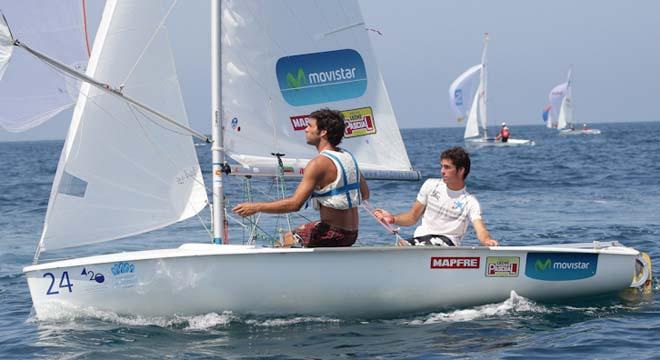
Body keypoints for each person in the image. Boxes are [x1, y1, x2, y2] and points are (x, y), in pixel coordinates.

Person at [233, 108, 369, 248]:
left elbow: (295, 204)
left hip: (332, 234)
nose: (305, 129)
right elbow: (365, 194)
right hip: (352, 234)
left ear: (323, 132)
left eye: (310, 126)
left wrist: (256, 207)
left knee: (284, 242)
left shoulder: (318, 164)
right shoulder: (348, 158)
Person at [374, 147, 497, 247]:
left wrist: (487, 240)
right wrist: (392, 219)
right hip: (420, 240)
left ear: (461, 171)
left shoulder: (470, 202)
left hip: (446, 245)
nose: (442, 171)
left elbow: (480, 229)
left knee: (422, 245)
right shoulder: (430, 185)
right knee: (400, 246)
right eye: (441, 166)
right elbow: (412, 217)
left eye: (447, 167)